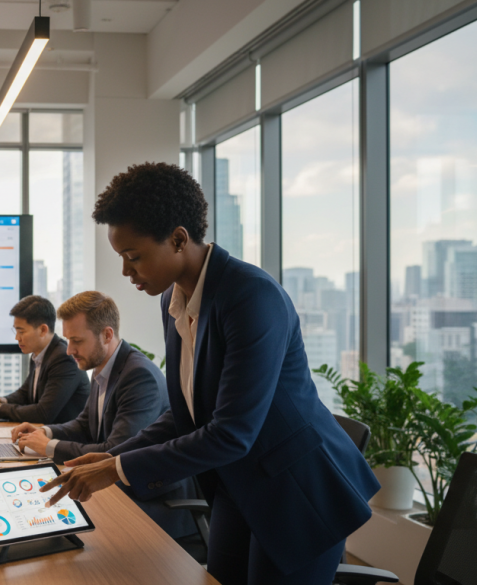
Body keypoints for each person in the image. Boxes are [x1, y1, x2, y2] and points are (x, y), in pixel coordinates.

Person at [39, 162, 380, 585]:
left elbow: (231, 431)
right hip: (240, 482)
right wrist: (113, 456)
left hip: (299, 492)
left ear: (179, 239)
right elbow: (186, 414)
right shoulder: (172, 302)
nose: (126, 272)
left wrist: (117, 469)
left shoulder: (250, 296)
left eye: (134, 257)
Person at [9, 291, 194, 538]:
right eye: (68, 340)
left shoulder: (139, 376)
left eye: (76, 341)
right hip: (116, 491)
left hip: (150, 504)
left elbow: (116, 448)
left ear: (107, 335)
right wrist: (46, 431)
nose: (69, 350)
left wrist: (50, 447)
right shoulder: (102, 366)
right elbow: (86, 423)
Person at [0, 295, 89, 424]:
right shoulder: (38, 354)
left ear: (42, 330)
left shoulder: (63, 358)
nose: (17, 338)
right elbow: (25, 394)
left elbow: (43, 413)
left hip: (66, 440)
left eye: (21, 332)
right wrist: (1, 400)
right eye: (16, 331)